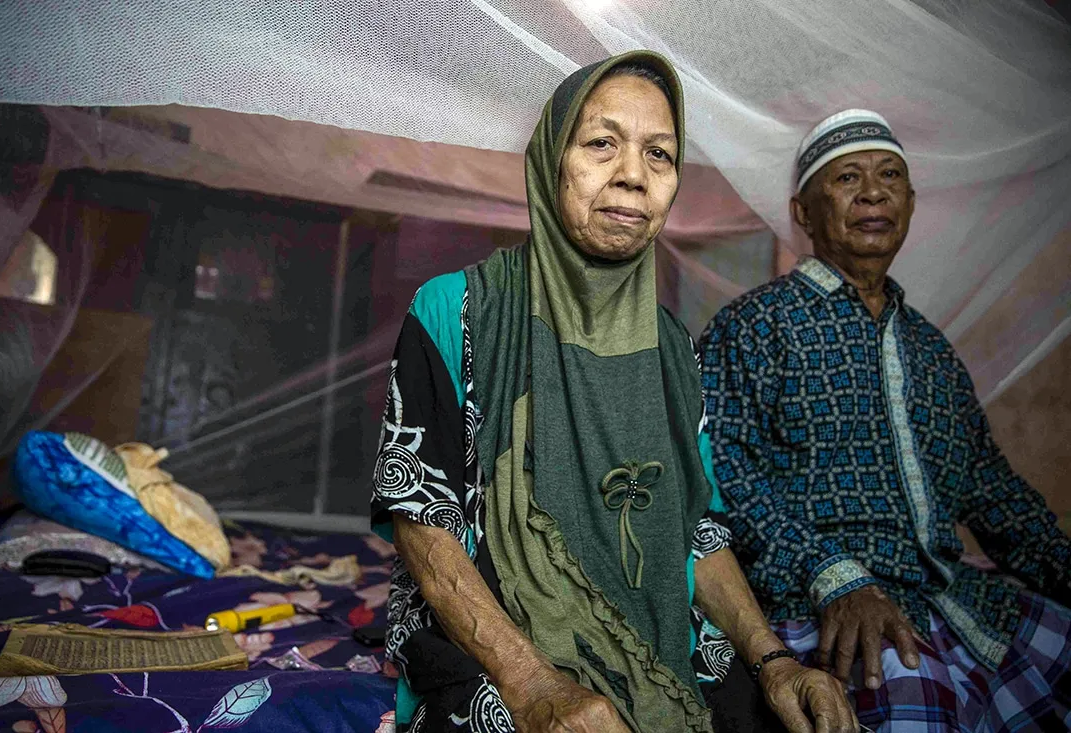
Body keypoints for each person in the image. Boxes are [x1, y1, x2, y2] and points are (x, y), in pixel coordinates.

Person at [370, 51, 857, 733]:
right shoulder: (455, 311)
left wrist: (774, 659)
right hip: (499, 651)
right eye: (602, 144)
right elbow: (422, 517)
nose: (633, 175)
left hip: (665, 645)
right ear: (551, 160)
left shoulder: (672, 351)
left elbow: (698, 530)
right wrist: (535, 684)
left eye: (660, 154)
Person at [698, 108, 1071, 731]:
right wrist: (831, 575)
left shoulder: (931, 349)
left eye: (890, 175)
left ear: (911, 201)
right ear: (802, 212)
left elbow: (994, 492)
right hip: (820, 609)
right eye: (847, 178)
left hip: (953, 600)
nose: (874, 192)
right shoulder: (754, 326)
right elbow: (720, 473)